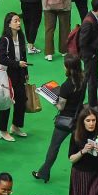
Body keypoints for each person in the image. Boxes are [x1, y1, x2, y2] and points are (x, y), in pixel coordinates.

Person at [33, 54, 85, 182]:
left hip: (65, 121)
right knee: (81, 147)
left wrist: (52, 100)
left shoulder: (66, 85)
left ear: (68, 68)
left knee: (54, 147)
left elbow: (61, 107)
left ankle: (44, 173)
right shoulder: (83, 80)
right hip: (79, 118)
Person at [0, 12, 29, 141]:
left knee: (21, 100)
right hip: (7, 75)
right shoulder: (4, 40)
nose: (18, 23)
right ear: (9, 24)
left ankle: (16, 126)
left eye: (19, 20)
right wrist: (17, 64)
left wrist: (25, 73)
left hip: (19, 73)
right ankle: (3, 131)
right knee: (7, 102)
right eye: (15, 21)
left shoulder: (21, 37)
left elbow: (24, 56)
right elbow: (1, 59)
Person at [79, 0, 98, 112]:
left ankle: (88, 103)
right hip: (90, 56)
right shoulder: (89, 22)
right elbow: (82, 42)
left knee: (91, 79)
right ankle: (91, 105)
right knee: (90, 80)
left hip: (93, 54)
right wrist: (91, 54)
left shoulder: (95, 17)